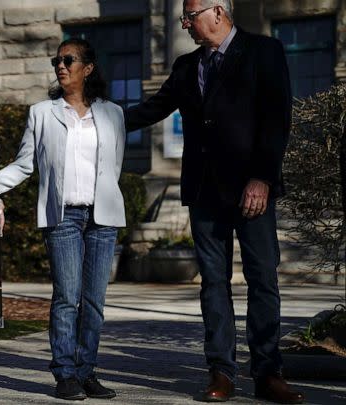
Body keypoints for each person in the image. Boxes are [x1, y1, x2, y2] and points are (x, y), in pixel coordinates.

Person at [125, 1, 303, 403]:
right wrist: (98, 115)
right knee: (213, 285)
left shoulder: (263, 51)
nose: (185, 24)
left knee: (263, 280)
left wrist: (262, 178)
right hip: (205, 192)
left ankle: (268, 374)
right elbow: (154, 108)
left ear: (217, 12)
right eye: (183, 19)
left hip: (250, 190)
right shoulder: (187, 66)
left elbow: (276, 120)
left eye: (190, 17)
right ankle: (221, 372)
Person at [0, 38, 126, 401]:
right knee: (67, 298)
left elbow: (113, 168)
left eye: (68, 59)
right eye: (57, 60)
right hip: (63, 217)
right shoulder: (42, 113)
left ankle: (87, 372)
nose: (60, 65)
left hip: (103, 218)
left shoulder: (112, 113)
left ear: (88, 68)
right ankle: (65, 374)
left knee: (95, 302)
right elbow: (25, 165)